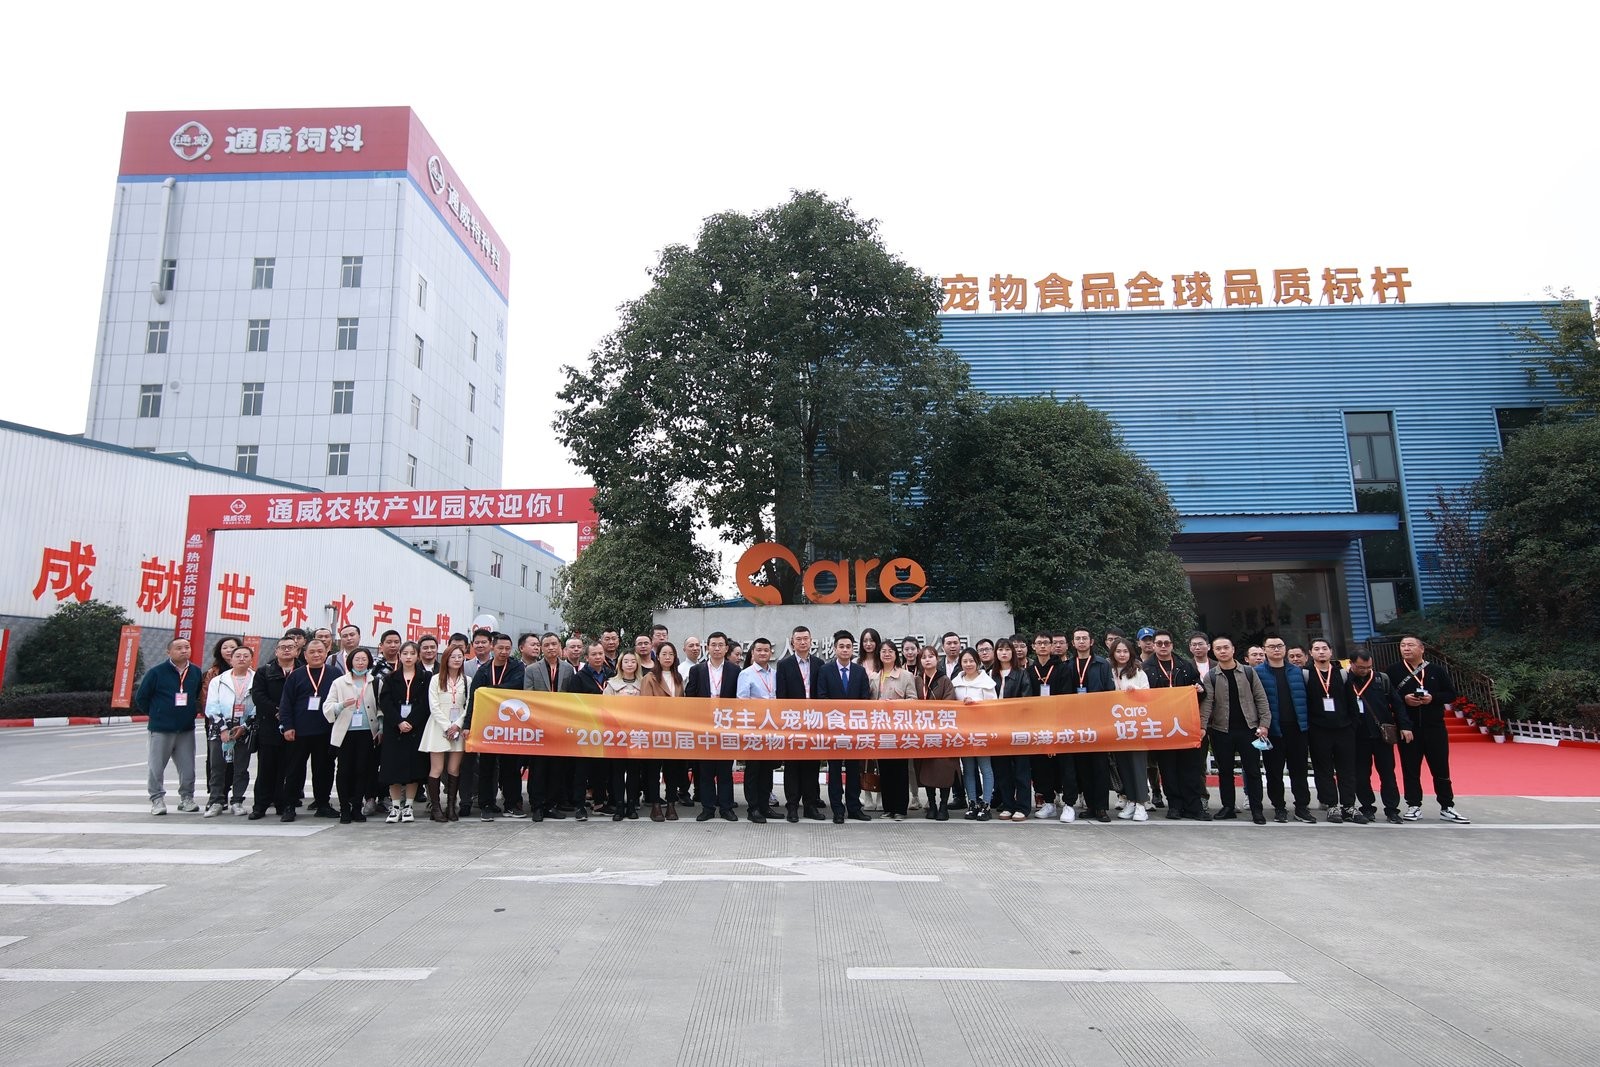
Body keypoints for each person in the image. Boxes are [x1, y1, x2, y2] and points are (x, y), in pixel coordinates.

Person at [1386, 635, 1469, 823]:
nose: (1406, 648)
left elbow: (1451, 694)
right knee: (1410, 769)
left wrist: (1433, 698)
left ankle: (1447, 806)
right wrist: (1404, 699)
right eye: (1403, 645)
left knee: (1441, 768)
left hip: (1435, 727)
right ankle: (1414, 805)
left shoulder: (1436, 670)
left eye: (1410, 645)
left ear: (1422, 649)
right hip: (1408, 728)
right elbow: (1388, 696)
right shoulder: (1393, 671)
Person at [1200, 636, 1271, 824]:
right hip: (1221, 730)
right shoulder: (1211, 676)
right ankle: (1228, 807)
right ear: (1213, 652)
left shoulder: (1248, 672)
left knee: (1253, 771)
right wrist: (1202, 727)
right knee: (1225, 771)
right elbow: (1207, 704)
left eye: (1226, 647)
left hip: (1249, 729)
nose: (1222, 651)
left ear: (1233, 649)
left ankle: (1257, 809)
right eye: (1218, 649)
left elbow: (1261, 698)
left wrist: (1264, 724)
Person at [1145, 630, 1210, 821]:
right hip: (1162, 726)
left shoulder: (1185, 665)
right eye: (1159, 643)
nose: (1163, 646)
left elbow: (1200, 691)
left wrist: (1199, 689)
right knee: (1168, 769)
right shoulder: (1146, 668)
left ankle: (1194, 807)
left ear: (1172, 645)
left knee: (1190, 768)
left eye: (1167, 643)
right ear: (1154, 646)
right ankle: (1174, 806)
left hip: (1184, 724)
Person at [278, 638, 343, 821]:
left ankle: (323, 804)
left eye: (320, 651)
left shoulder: (334, 673)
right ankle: (289, 806)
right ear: (304, 655)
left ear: (326, 653)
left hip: (325, 730)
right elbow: (286, 703)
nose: (316, 655)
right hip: (299, 731)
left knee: (324, 769)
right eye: (312, 652)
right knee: (294, 770)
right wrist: (288, 726)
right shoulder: (296, 675)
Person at [137, 638, 202, 816]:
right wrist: (157, 714)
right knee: (156, 767)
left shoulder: (195, 672)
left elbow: (196, 694)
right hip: (161, 729)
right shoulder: (156, 672)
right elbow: (141, 697)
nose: (184, 650)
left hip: (186, 729)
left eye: (187, 647)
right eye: (179, 648)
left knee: (188, 767)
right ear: (169, 652)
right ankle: (157, 799)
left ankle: (187, 798)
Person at [1255, 635, 1315, 823]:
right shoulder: (1256, 673)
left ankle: (1302, 807)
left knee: (1299, 771)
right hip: (1272, 731)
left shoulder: (1298, 672)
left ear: (1285, 648)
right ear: (1264, 649)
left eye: (1279, 646)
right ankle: (1279, 807)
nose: (1276, 649)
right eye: (1271, 646)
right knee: (1274, 772)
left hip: (1297, 729)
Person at [816, 630, 873, 824]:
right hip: (833, 729)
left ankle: (854, 808)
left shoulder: (859, 671)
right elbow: (821, 697)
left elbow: (865, 698)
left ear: (853, 649)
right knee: (834, 771)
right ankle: (837, 810)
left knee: (853, 770)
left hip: (854, 730)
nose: (845, 650)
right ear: (834, 648)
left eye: (848, 646)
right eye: (841, 646)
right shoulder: (825, 670)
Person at [1347, 646, 1408, 825]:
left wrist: (1405, 726)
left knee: (1388, 774)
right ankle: (1367, 807)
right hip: (1357, 736)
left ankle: (1392, 810)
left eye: (1368, 667)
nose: (1365, 671)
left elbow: (1397, 704)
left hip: (1382, 735)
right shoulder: (1344, 679)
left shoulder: (1381, 679)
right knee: (1361, 774)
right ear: (1351, 664)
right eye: (1361, 667)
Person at [469, 633, 526, 820]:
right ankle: (486, 804)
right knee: (487, 766)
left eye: (507, 648)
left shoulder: (517, 667)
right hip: (489, 725)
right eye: (500, 648)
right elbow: (475, 697)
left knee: (511, 767)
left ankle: (512, 804)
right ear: (493, 648)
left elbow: (516, 685)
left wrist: (491, 690)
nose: (504, 652)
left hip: (511, 725)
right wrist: (468, 724)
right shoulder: (484, 670)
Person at [1305, 639, 1363, 823]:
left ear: (1331, 652)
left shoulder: (1342, 674)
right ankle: (1331, 805)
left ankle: (1349, 806)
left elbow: (1352, 702)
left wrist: (1352, 725)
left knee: (1347, 769)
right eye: (1317, 649)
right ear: (1311, 653)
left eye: (1324, 648)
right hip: (1318, 730)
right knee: (1323, 769)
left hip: (1344, 729)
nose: (1321, 652)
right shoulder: (1306, 674)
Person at [687, 632, 740, 822]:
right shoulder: (697, 670)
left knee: (725, 771)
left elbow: (739, 699)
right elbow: (690, 696)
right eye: (713, 645)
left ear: (726, 648)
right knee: (706, 771)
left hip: (726, 726)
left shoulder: (735, 671)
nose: (717, 648)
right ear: (707, 648)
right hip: (705, 727)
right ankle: (707, 809)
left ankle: (726, 808)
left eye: (720, 645)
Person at [1066, 628, 1117, 823]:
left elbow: (1109, 691)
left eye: (1084, 638)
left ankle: (1102, 807)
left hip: (1097, 722)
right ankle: (1091, 806)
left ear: (1091, 642)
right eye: (1077, 638)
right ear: (1073, 643)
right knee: (1083, 767)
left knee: (1100, 766)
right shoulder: (1069, 665)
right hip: (1076, 723)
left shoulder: (1102, 664)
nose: (1081, 641)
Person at [521, 633, 573, 821]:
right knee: (538, 768)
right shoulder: (531, 670)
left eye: (554, 644)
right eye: (547, 645)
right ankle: (537, 806)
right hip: (539, 726)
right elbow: (528, 696)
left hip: (559, 726)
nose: (551, 648)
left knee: (556, 768)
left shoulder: (568, 669)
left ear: (560, 646)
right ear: (541, 648)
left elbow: (571, 696)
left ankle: (551, 805)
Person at [776, 625, 826, 822]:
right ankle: (792, 806)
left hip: (814, 722)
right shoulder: (784, 665)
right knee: (792, 766)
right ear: (792, 642)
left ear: (811, 641)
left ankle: (810, 806)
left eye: (806, 638)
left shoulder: (819, 664)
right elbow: (781, 695)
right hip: (793, 722)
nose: (803, 642)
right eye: (799, 639)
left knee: (812, 766)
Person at [325, 646, 380, 824]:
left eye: (364, 659)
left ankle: (357, 806)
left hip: (367, 732)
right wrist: (341, 705)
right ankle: (344, 808)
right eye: (357, 659)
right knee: (344, 770)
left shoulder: (375, 682)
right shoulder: (339, 682)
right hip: (345, 733)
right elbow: (327, 707)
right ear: (351, 662)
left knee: (362, 770)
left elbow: (381, 707)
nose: (361, 662)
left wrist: (381, 728)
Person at [375, 641, 428, 823]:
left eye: (412, 653)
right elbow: (385, 702)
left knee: (413, 769)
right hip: (394, 729)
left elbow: (425, 703)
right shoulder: (391, 677)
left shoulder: (425, 677)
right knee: (393, 769)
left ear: (417, 656)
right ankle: (395, 806)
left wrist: (411, 721)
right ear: (400, 655)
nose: (408, 657)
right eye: (405, 653)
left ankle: (408, 807)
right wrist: (399, 722)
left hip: (415, 728)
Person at [202, 643, 255, 817]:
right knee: (217, 767)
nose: (241, 659)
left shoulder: (256, 679)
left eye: (246, 656)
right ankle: (216, 801)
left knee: (241, 767)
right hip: (220, 730)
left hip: (244, 729)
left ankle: (237, 801)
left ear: (251, 659)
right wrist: (223, 729)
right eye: (237, 656)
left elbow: (258, 706)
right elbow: (211, 706)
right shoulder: (218, 680)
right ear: (231, 660)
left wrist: (245, 726)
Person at [559, 642, 610, 821]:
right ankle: (580, 805)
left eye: (600, 653)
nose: (598, 657)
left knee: (601, 769)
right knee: (581, 770)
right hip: (585, 730)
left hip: (606, 730)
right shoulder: (579, 678)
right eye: (594, 654)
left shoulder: (611, 675)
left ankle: (599, 803)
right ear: (586, 658)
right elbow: (573, 704)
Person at [248, 637, 296, 820]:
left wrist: (289, 715)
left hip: (294, 727)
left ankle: (283, 805)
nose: (286, 650)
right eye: (283, 647)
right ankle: (260, 806)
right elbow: (258, 696)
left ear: (297, 651)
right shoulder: (264, 671)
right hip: (269, 726)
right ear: (276, 651)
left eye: (290, 647)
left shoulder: (302, 670)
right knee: (266, 768)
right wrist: (278, 711)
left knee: (288, 769)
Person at [639, 640, 686, 822]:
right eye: (664, 654)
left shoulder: (678, 677)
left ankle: (671, 804)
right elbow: (645, 705)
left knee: (672, 769)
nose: (667, 657)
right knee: (654, 769)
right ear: (657, 657)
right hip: (655, 730)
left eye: (671, 654)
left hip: (674, 730)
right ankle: (655, 805)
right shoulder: (649, 678)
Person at [735, 637, 781, 823]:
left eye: (766, 650)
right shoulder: (746, 674)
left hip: (771, 729)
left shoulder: (775, 674)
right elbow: (742, 702)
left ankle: (765, 806)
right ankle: (753, 808)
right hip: (754, 730)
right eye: (759, 650)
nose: (763, 653)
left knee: (767, 770)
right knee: (753, 770)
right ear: (752, 653)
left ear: (771, 653)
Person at [421, 645, 470, 821]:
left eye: (460, 656)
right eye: (453, 657)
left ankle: (451, 807)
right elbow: (433, 705)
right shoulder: (436, 679)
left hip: (458, 727)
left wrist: (457, 725)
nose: (457, 660)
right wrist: (447, 726)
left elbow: (468, 706)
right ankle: (435, 807)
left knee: (454, 768)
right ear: (446, 659)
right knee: (437, 768)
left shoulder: (467, 680)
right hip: (438, 726)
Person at [872, 641, 917, 821]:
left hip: (899, 730)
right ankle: (888, 808)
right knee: (885, 770)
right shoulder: (874, 677)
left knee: (900, 770)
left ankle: (900, 809)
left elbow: (913, 700)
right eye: (883, 651)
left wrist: (896, 705)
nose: (887, 654)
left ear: (896, 654)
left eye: (890, 651)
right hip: (880, 730)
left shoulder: (905, 676)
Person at [1107, 638, 1151, 821]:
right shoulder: (1108, 671)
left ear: (1131, 653)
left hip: (1135, 725)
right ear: (1113, 653)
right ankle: (1131, 800)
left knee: (1137, 765)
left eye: (1125, 651)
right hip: (1116, 727)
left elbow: (1149, 695)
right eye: (1118, 651)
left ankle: (1141, 804)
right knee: (1123, 765)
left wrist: (1136, 692)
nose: (1122, 655)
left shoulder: (1138, 671)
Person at [950, 648, 996, 821]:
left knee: (985, 768)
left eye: (971, 661)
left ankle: (986, 804)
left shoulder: (987, 682)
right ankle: (973, 803)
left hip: (982, 731)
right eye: (965, 661)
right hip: (963, 732)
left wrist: (975, 704)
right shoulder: (955, 683)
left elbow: (994, 707)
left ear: (978, 662)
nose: (968, 664)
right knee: (968, 769)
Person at [989, 636, 1031, 822]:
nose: (1004, 653)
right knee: (1002, 770)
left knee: (1021, 770)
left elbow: (1026, 702)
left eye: (1007, 649)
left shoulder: (1021, 674)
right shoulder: (990, 675)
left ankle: (1022, 807)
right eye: (1000, 649)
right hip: (997, 730)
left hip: (1017, 728)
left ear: (1012, 652)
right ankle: (1007, 805)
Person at [914, 646, 959, 819]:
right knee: (927, 770)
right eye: (924, 657)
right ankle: (931, 805)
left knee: (944, 769)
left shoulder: (945, 680)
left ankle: (943, 805)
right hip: (923, 732)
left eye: (931, 656)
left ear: (937, 659)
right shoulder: (917, 680)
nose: (927, 659)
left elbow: (949, 703)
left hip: (943, 732)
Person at [1028, 631, 1067, 819]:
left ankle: (1067, 801)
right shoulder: (1029, 671)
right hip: (1037, 726)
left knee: (1062, 765)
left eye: (1046, 643)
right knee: (1041, 766)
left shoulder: (1062, 669)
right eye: (1039, 643)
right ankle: (1048, 802)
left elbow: (1066, 698)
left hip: (1058, 723)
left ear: (1052, 646)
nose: (1043, 646)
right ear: (1033, 647)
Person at [603, 651, 645, 820]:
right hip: (617, 734)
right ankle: (619, 805)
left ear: (637, 664)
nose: (629, 664)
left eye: (633, 661)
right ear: (620, 664)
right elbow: (605, 709)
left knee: (634, 772)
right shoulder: (611, 684)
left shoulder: (644, 684)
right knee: (617, 772)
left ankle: (632, 805)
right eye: (626, 661)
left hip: (637, 734)